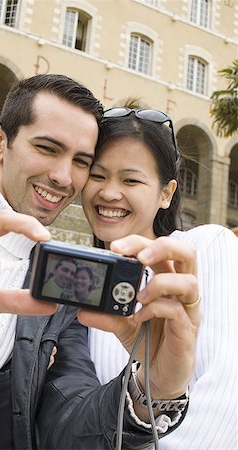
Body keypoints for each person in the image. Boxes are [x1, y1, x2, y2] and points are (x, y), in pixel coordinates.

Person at [0, 74, 198, 450]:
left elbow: (68, 424)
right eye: (47, 148)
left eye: (81, 161)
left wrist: (154, 388)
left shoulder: (61, 291)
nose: (62, 177)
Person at [80, 103, 238, 450]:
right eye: (97, 175)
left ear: (166, 193)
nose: (108, 192)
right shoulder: (86, 284)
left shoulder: (206, 246)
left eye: (131, 179)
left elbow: (228, 394)